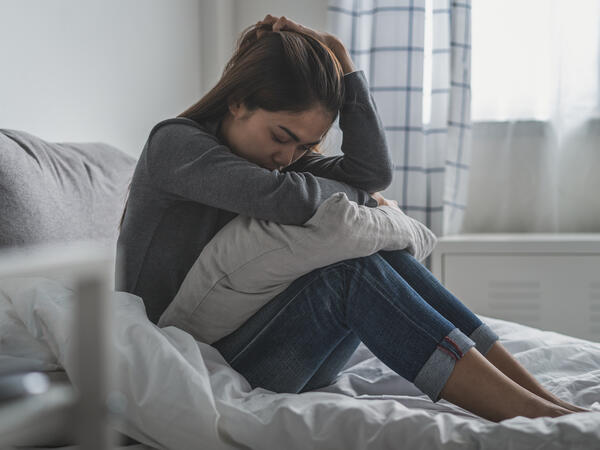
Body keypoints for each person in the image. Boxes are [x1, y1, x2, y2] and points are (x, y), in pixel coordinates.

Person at [115, 14, 590, 422]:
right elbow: (291, 199)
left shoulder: (276, 159)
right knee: (351, 272)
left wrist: (345, 68)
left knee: (378, 252)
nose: (287, 155)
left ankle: (540, 400)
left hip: (269, 345)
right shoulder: (176, 146)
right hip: (189, 365)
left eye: (304, 145)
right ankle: (535, 416)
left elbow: (370, 175)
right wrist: (351, 195)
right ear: (238, 101)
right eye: (282, 135)